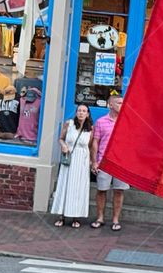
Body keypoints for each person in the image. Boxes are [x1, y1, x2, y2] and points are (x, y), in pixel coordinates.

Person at [90, 94, 129, 232]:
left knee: (119, 191)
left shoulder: (127, 122)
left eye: (123, 103)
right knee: (101, 190)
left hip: (121, 163)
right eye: (119, 103)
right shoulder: (100, 122)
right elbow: (95, 142)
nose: (122, 105)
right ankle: (100, 217)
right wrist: (94, 162)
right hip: (104, 161)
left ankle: (115, 219)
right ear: (111, 105)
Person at [50, 105, 92, 228]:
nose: (81, 113)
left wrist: (90, 161)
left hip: (82, 162)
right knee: (65, 185)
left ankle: (76, 217)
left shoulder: (90, 129)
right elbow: (61, 138)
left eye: (84, 111)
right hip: (69, 159)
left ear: (88, 114)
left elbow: (89, 146)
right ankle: (61, 216)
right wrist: (63, 145)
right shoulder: (69, 124)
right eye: (79, 110)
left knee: (78, 188)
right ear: (76, 112)